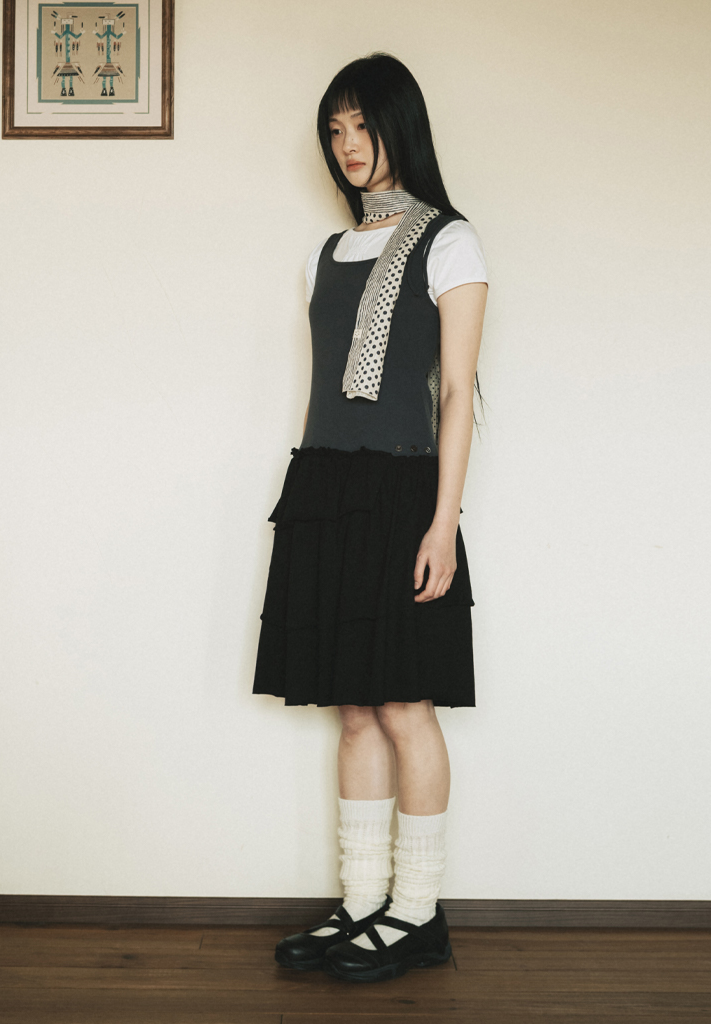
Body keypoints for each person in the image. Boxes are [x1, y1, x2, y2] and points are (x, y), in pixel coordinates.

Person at [252, 52, 488, 983]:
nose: (348, 144)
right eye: (335, 129)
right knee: (353, 709)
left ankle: (417, 912)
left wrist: (442, 522)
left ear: (401, 126)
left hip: (401, 492)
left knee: (403, 702)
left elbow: (457, 393)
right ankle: (361, 905)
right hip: (324, 486)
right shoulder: (321, 255)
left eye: (363, 124)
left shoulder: (450, 241)